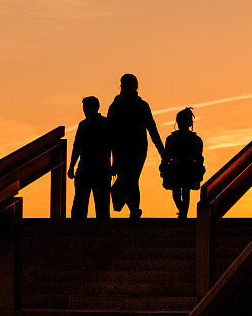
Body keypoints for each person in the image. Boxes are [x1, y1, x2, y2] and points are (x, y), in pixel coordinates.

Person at [107, 73, 164, 219]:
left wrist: (162, 151)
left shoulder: (116, 106)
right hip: (135, 148)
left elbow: (110, 134)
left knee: (129, 179)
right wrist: (161, 151)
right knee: (131, 179)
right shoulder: (140, 105)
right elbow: (152, 129)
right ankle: (134, 210)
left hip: (124, 149)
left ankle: (134, 209)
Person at [68, 96, 111, 219]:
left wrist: (71, 166)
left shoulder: (84, 125)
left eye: (85, 107)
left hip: (87, 168)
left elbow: (77, 147)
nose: (84, 110)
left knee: (81, 205)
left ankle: (78, 232)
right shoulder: (106, 123)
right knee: (101, 206)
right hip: (101, 169)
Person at [160, 107, 205, 220]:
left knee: (179, 192)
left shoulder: (171, 139)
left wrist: (164, 166)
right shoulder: (195, 140)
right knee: (184, 192)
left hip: (178, 168)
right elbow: (199, 157)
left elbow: (167, 156)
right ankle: (183, 212)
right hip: (185, 168)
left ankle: (182, 212)